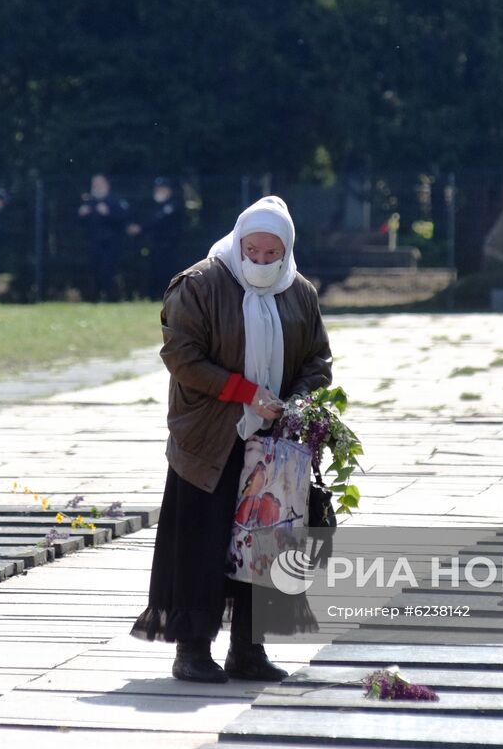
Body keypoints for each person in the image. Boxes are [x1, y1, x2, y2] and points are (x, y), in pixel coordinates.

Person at [131, 196, 333, 683]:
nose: (261, 262)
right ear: (238, 241)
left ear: (286, 253)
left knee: (264, 543)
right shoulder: (199, 284)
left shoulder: (300, 293)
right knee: (201, 542)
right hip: (210, 438)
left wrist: (298, 404)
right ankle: (193, 649)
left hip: (273, 443)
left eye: (272, 255)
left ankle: (249, 650)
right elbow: (181, 356)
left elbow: (318, 361)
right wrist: (245, 393)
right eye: (254, 251)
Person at [76, 174, 131, 301]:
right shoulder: (88, 203)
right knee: (93, 271)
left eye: (99, 184)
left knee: (108, 271)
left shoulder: (115, 201)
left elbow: (125, 219)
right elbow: (78, 225)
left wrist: (108, 214)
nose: (96, 187)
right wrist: (81, 215)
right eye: (94, 184)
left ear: (107, 185)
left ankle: (112, 298)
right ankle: (93, 298)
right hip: (93, 243)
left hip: (112, 244)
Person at [132, 177, 185, 300]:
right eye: (157, 189)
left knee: (169, 271)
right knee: (154, 270)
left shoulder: (174, 204)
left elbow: (157, 220)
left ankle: (170, 296)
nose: (159, 191)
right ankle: (153, 296)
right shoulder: (151, 205)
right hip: (155, 245)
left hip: (171, 246)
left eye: (162, 189)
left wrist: (141, 228)